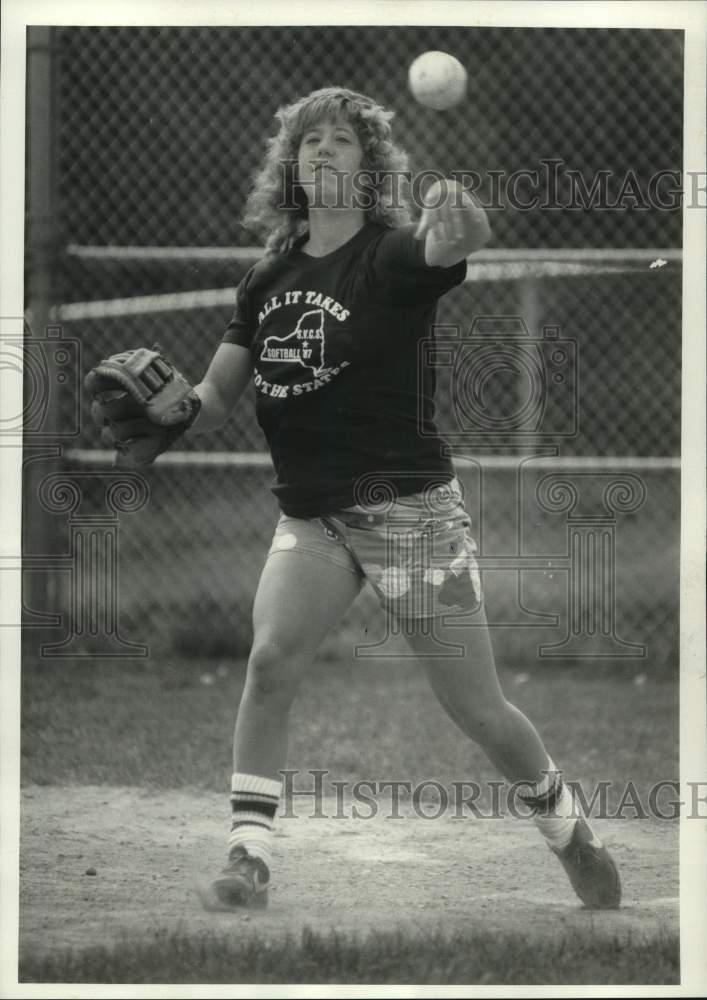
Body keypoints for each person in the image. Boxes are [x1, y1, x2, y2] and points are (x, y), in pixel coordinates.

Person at [187, 87, 621, 911]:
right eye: (309, 141)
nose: (323, 152)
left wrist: (457, 218)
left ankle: (570, 833)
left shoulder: (388, 255)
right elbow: (214, 395)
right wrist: (168, 409)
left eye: (342, 142)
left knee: (477, 709)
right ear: (291, 164)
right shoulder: (267, 276)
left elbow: (454, 243)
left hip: (410, 516)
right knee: (271, 660)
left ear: (367, 165)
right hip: (313, 515)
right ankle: (247, 856)